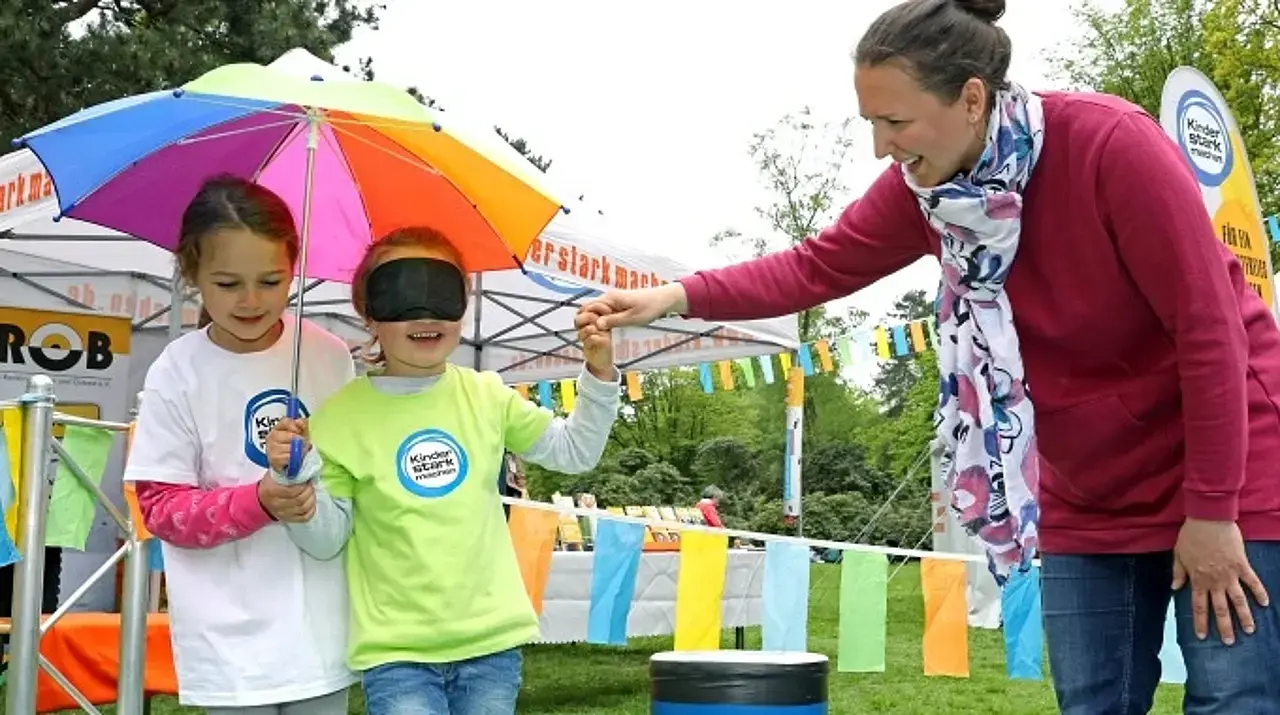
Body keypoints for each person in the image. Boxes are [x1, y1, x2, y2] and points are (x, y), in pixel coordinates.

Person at [582, 0, 1280, 711]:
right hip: (1091, 483)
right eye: (870, 123)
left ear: (971, 99)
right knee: (1093, 703)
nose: (880, 147)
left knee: (1233, 698)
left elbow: (1210, 332)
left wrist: (1213, 511)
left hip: (1227, 462)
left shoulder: (1112, 145)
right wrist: (675, 297)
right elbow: (815, 267)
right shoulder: (928, 194)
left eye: (895, 121)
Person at [280, 226, 620, 715]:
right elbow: (325, 539)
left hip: (491, 643)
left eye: (441, 292)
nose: (425, 314)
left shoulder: (487, 396)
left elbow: (574, 452)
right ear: (369, 313)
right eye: (402, 293)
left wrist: (600, 374)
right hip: (396, 653)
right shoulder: (336, 419)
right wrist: (297, 477)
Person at [124, 176, 356, 713]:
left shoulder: (328, 357)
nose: (251, 301)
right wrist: (261, 501)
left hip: (321, 635)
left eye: (271, 281)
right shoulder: (177, 370)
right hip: (227, 647)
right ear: (192, 274)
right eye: (228, 284)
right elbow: (160, 510)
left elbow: (351, 485)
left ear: (293, 269)